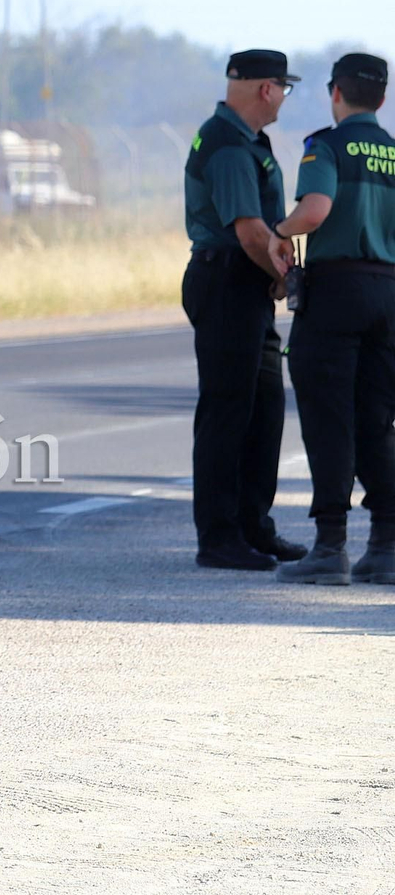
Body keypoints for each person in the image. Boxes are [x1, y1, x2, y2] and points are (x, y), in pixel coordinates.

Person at [268, 54, 395, 585]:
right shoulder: (392, 152)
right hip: (389, 293)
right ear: (383, 99)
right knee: (376, 420)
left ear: (335, 93)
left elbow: (315, 210)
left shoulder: (327, 144)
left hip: (336, 291)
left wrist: (280, 228)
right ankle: (386, 546)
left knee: (328, 418)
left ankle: (329, 547)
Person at [182, 50, 307, 570]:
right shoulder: (230, 145)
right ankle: (218, 536)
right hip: (229, 279)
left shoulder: (246, 140)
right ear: (266, 89)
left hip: (245, 282)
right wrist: (286, 277)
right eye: (284, 87)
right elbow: (251, 230)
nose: (283, 96)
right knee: (229, 412)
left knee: (263, 412)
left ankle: (254, 526)